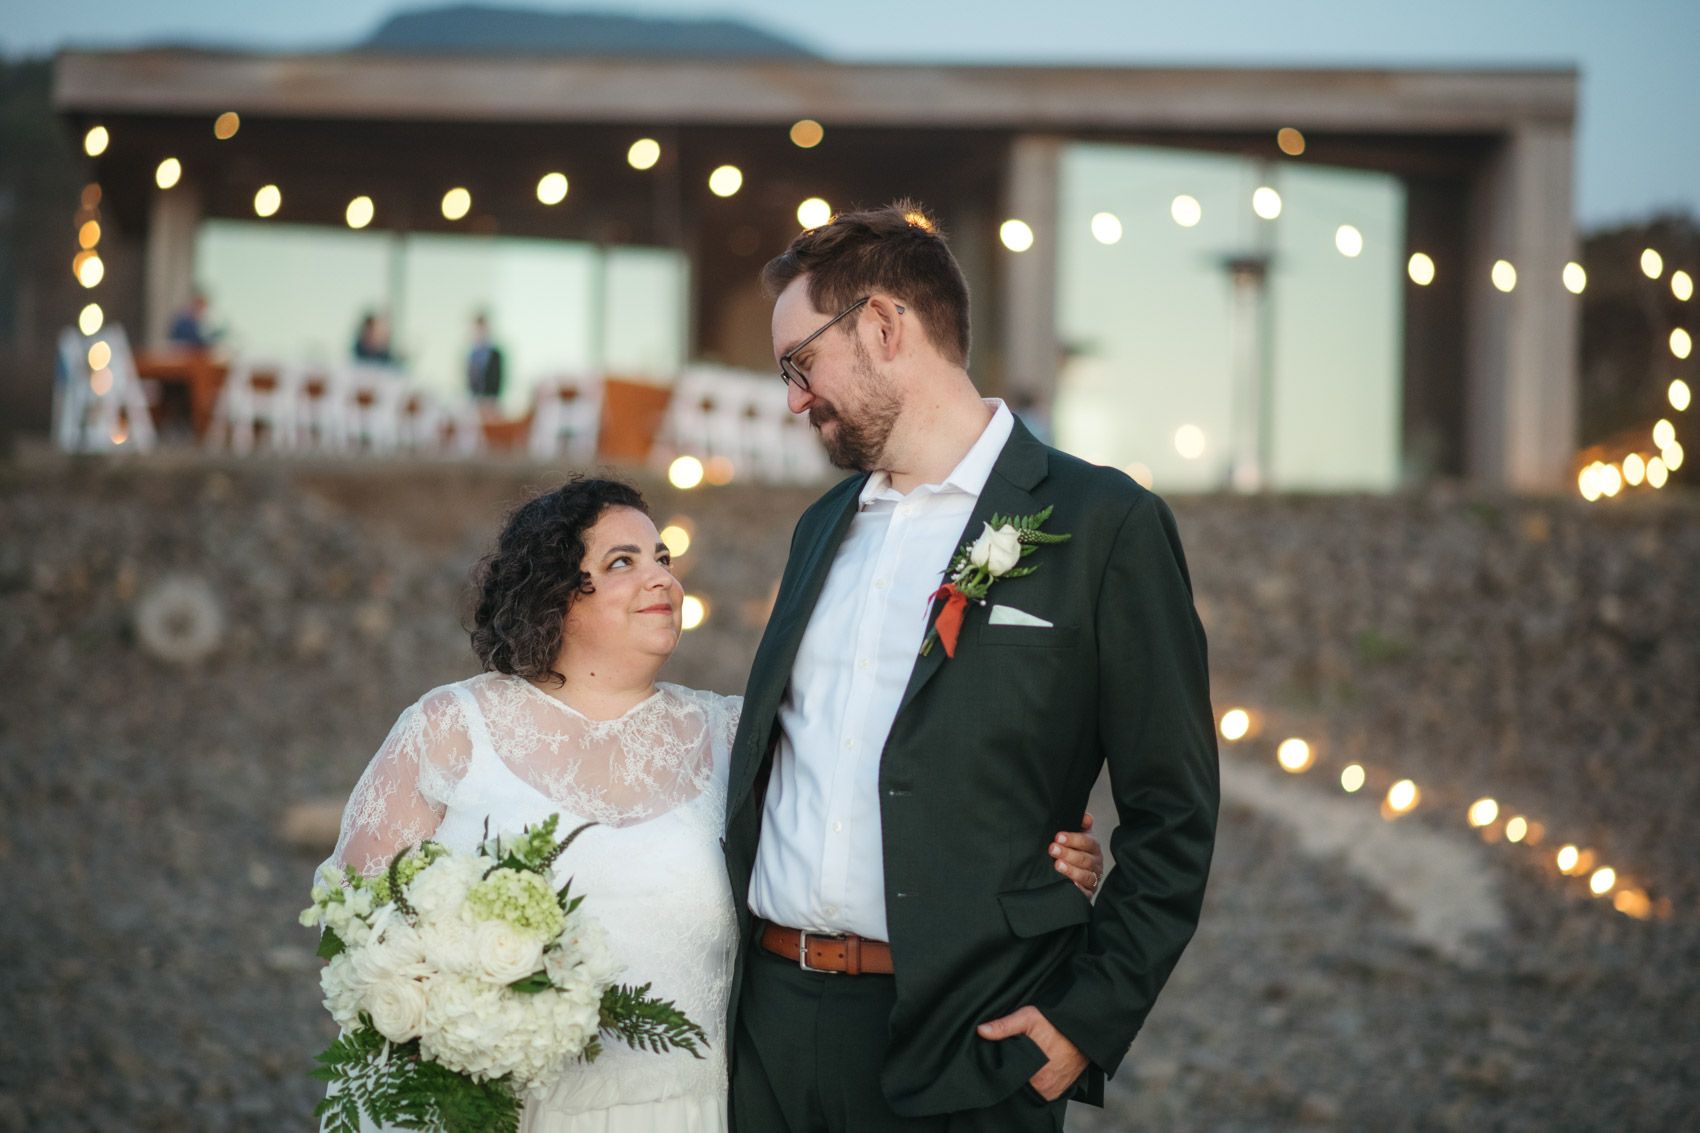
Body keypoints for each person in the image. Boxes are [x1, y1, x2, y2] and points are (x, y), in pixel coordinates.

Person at [319, 477, 1106, 1132]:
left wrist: (1039, 848)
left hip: (689, 1111)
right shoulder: (451, 728)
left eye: (662, 557)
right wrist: (458, 1008)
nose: (662, 576)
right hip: (484, 1110)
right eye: (623, 561)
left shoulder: (732, 732)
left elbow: (888, 796)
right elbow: (353, 927)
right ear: (553, 590)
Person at [724, 202, 1219, 1131]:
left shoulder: (1102, 523)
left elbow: (1176, 811)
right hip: (773, 1029)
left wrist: (1086, 1018)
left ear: (881, 325)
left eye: (801, 363)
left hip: (969, 1043)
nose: (794, 397)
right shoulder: (820, 527)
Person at [466, 311, 506, 402]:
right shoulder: (472, 355)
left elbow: (498, 381)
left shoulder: (495, 354)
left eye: (482, 329)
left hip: (491, 401)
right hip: (474, 400)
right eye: (477, 329)